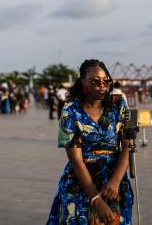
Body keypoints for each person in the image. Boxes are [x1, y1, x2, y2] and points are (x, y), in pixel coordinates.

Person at [48, 59, 134, 225]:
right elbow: (75, 159)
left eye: (106, 81)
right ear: (83, 82)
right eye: (96, 81)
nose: (102, 86)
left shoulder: (119, 104)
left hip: (114, 181)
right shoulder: (70, 111)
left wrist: (115, 181)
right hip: (82, 183)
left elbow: (127, 146)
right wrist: (95, 198)